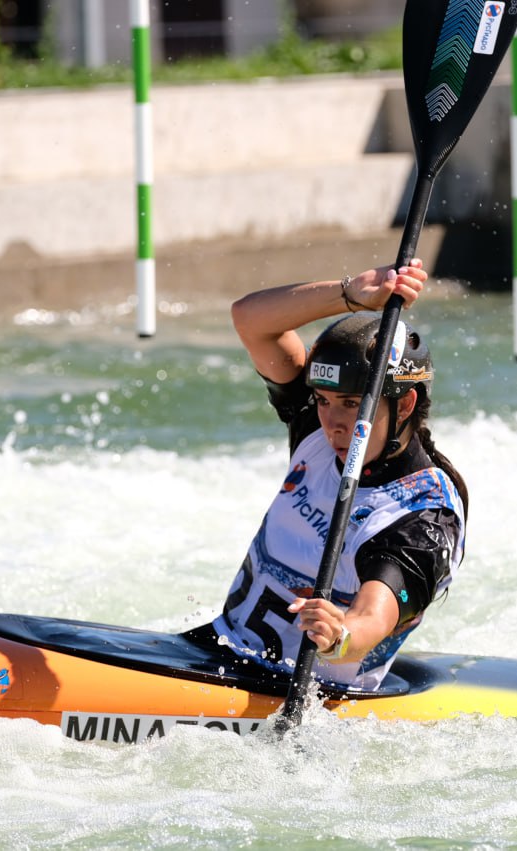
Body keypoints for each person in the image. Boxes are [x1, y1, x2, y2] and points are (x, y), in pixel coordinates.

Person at [194, 259, 468, 692]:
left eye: (350, 403)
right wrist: (349, 294)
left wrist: (339, 635)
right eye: (323, 400)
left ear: (406, 405)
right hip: (218, 653)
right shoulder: (315, 431)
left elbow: (372, 618)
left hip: (308, 697)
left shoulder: (423, 517)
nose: (332, 423)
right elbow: (250, 320)